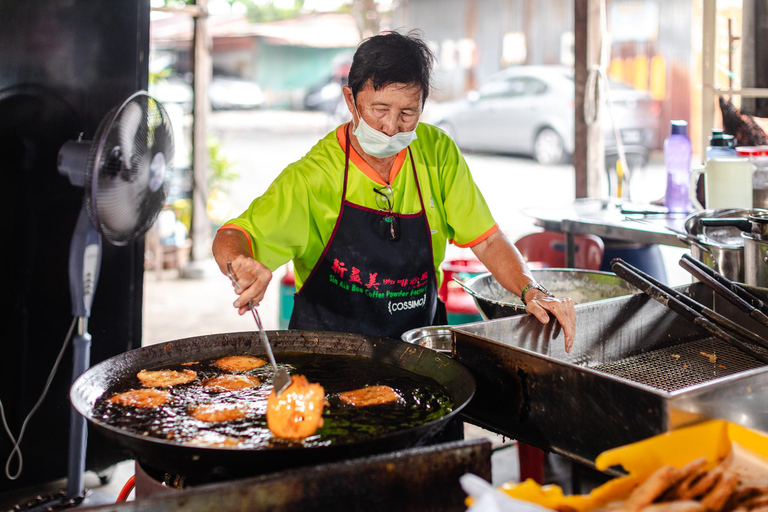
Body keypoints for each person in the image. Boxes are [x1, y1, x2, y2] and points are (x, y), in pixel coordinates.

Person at [212, 30, 576, 352]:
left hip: (420, 352)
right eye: (380, 109)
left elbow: (488, 240)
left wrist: (532, 291)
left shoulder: (436, 153)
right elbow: (232, 235)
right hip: (330, 360)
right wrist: (240, 263)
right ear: (350, 100)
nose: (390, 127)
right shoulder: (314, 176)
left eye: (407, 113)